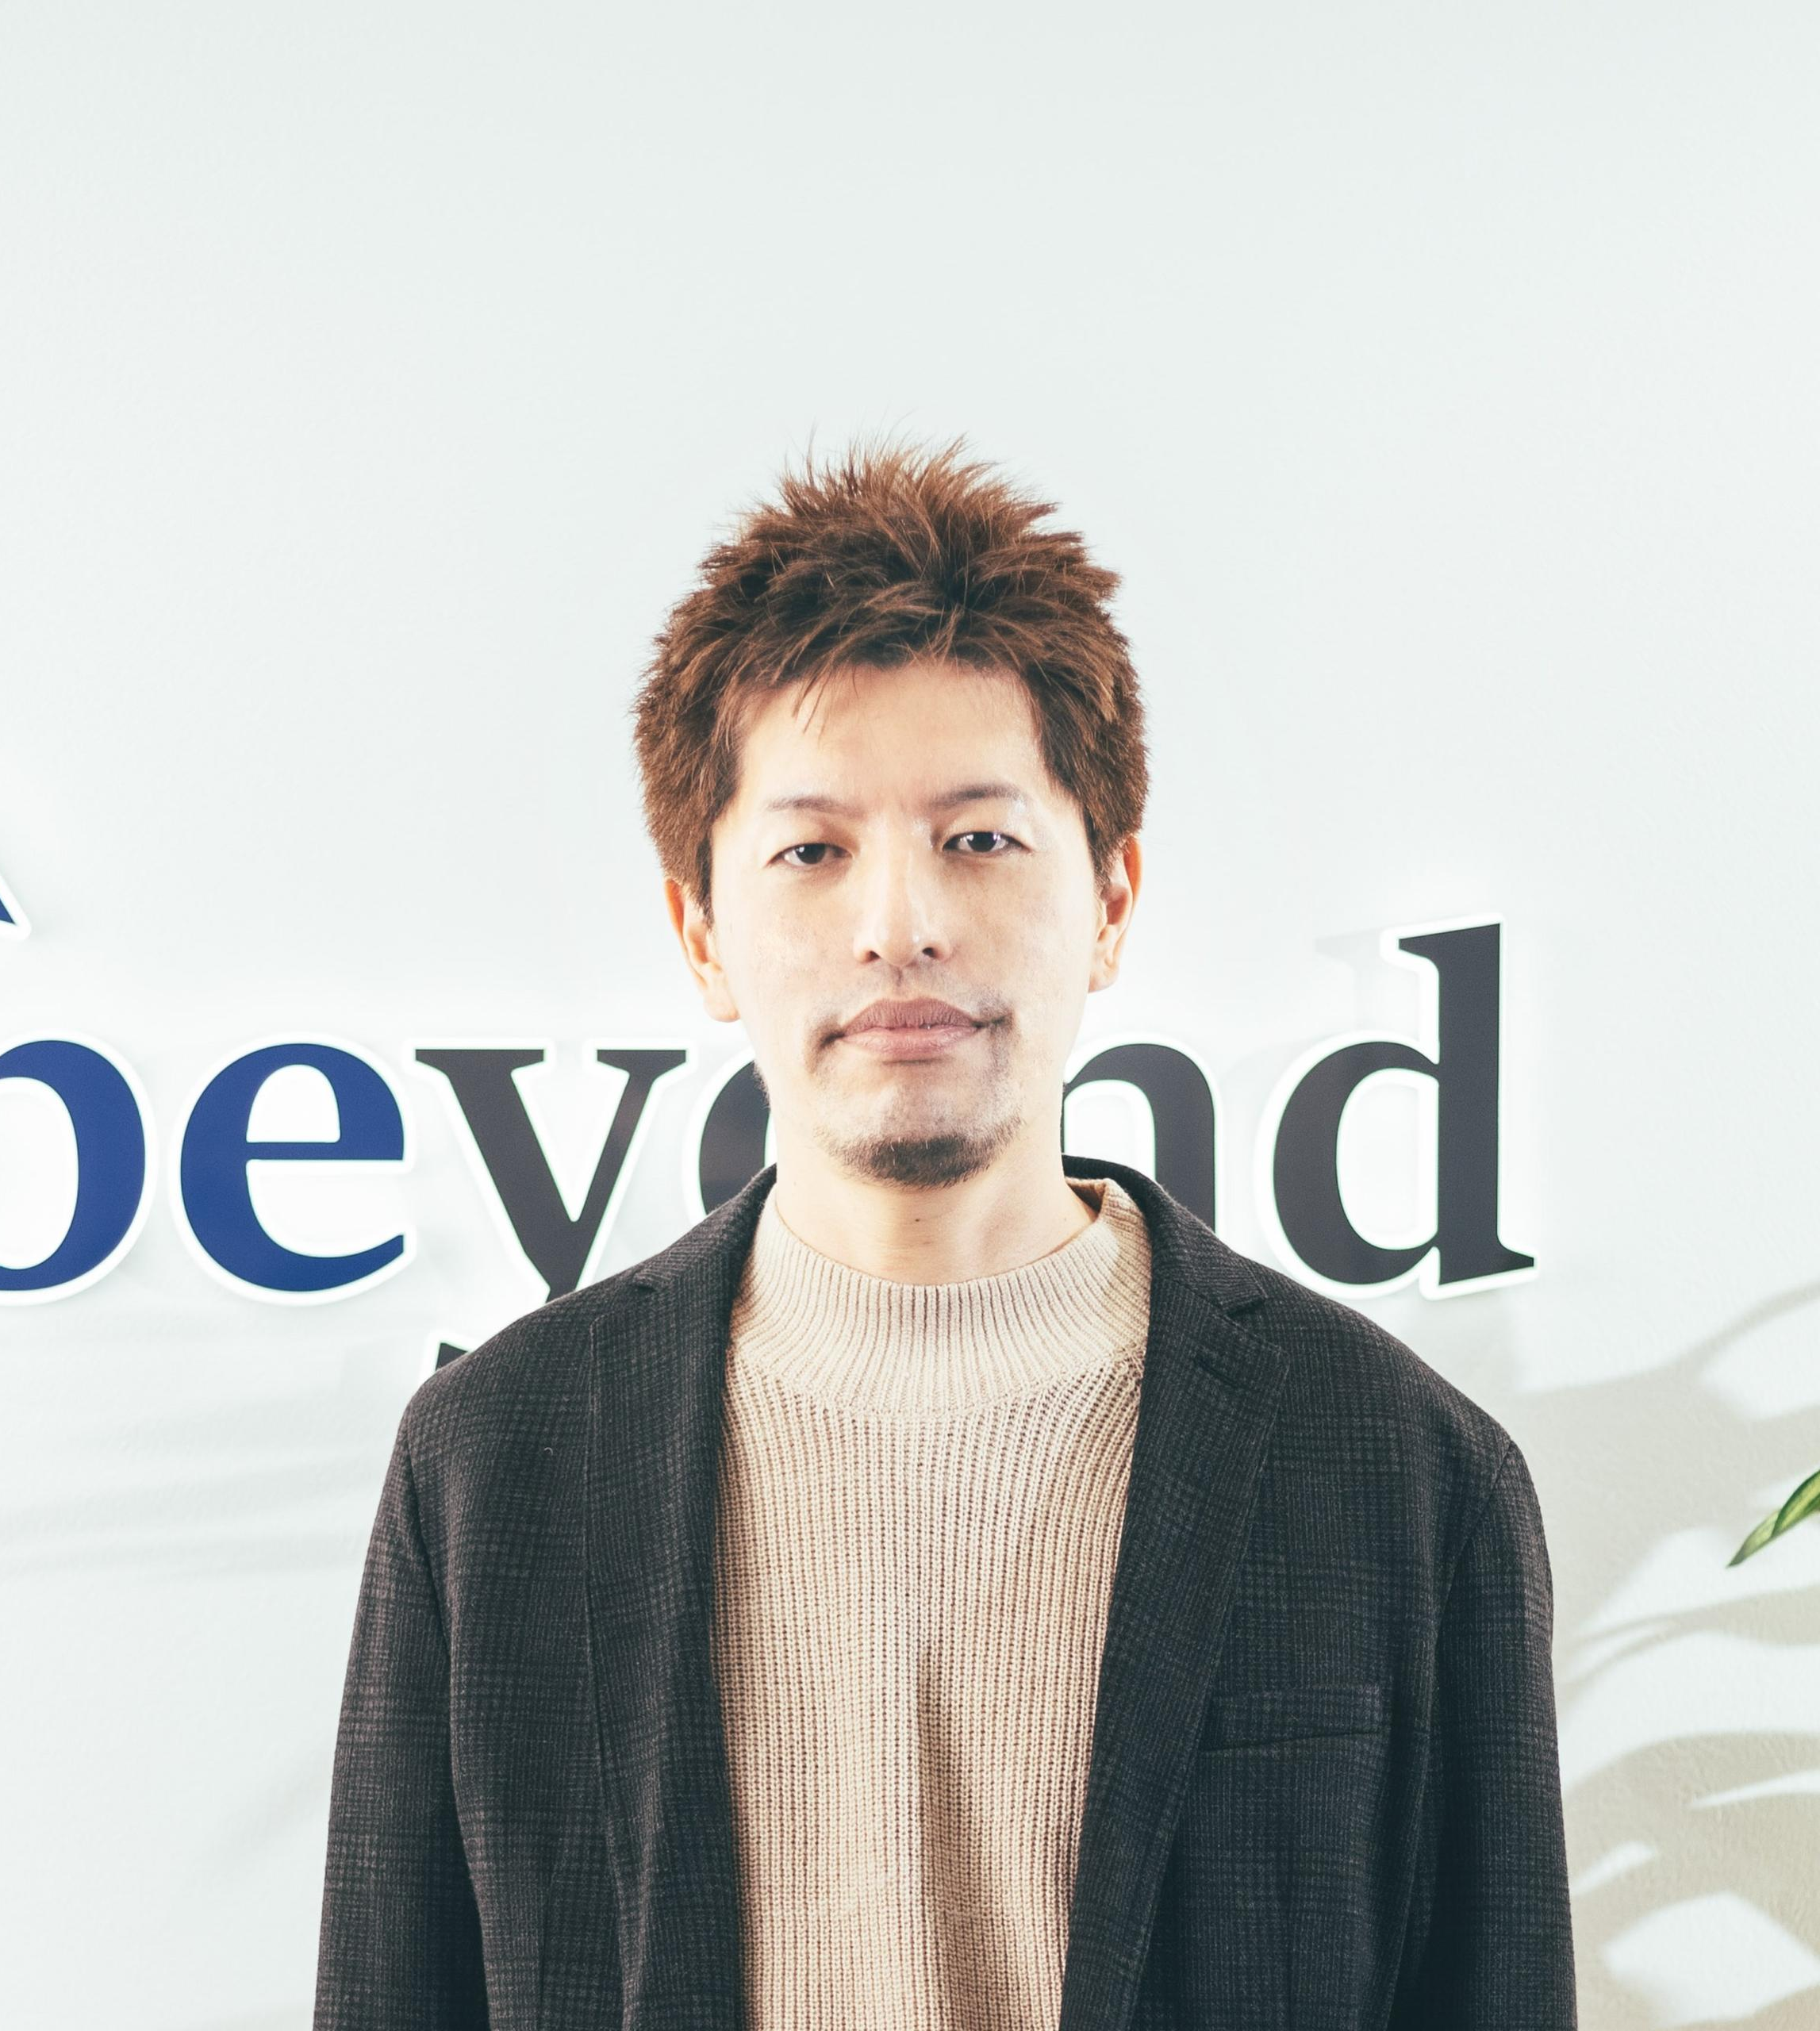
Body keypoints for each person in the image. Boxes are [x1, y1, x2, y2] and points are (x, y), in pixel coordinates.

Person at [313, 440, 1577, 2029]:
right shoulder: (494, 1467)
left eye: (978, 837)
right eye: (811, 849)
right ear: (700, 933)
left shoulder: (1401, 1468)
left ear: (1110, 897)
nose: (897, 924)